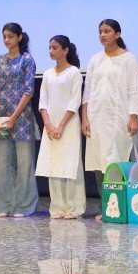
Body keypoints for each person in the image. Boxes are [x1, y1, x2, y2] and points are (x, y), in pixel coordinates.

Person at [81, 19, 138, 220]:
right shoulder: (95, 59)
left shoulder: (128, 59)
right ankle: (108, 206)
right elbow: (87, 91)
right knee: (99, 163)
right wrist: (84, 118)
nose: (102, 35)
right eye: (100, 31)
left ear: (117, 34)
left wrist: (134, 117)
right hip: (97, 118)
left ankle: (124, 206)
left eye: (107, 31)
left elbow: (134, 90)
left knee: (118, 161)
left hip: (118, 119)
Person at [0, 22, 39, 217]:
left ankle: (24, 206)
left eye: (10, 36)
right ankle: (4, 205)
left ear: (19, 37)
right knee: (2, 164)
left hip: (21, 118)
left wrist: (13, 117)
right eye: (4, 36)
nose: (6, 40)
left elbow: (28, 91)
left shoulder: (27, 60)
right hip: (0, 118)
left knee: (24, 164)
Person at [35, 35, 86, 219]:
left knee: (71, 164)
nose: (51, 51)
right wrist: (48, 124)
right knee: (53, 163)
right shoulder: (48, 74)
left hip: (68, 124)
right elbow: (42, 102)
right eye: (49, 47)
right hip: (50, 125)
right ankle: (57, 207)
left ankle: (73, 208)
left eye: (54, 47)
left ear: (65, 50)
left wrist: (61, 125)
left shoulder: (74, 73)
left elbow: (75, 101)